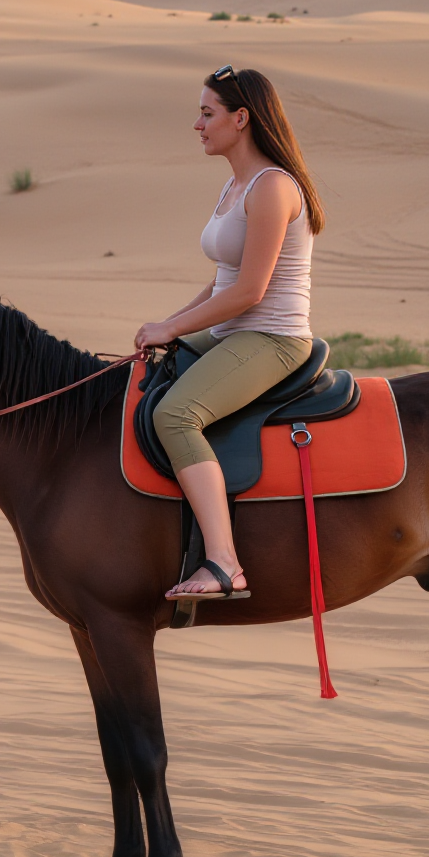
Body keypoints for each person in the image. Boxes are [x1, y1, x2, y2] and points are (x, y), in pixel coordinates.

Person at [132, 63, 326, 601]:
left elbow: (249, 292)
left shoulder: (273, 188)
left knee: (176, 415)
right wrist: (169, 327)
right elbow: (222, 282)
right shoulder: (235, 185)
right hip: (229, 333)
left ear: (241, 119)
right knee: (137, 378)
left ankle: (223, 562)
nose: (197, 125)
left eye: (206, 113)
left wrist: (173, 325)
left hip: (272, 338)